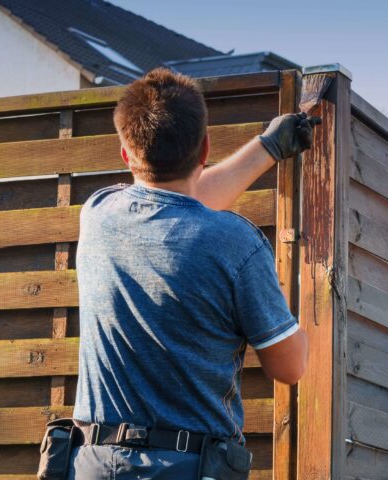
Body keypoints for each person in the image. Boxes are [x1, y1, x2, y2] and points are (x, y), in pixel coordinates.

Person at [67, 68, 313, 479]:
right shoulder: (235, 243)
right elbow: (289, 368)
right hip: (190, 467)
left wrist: (267, 149)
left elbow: (171, 202)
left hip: (94, 463)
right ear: (205, 150)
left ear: (126, 154)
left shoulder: (97, 214)